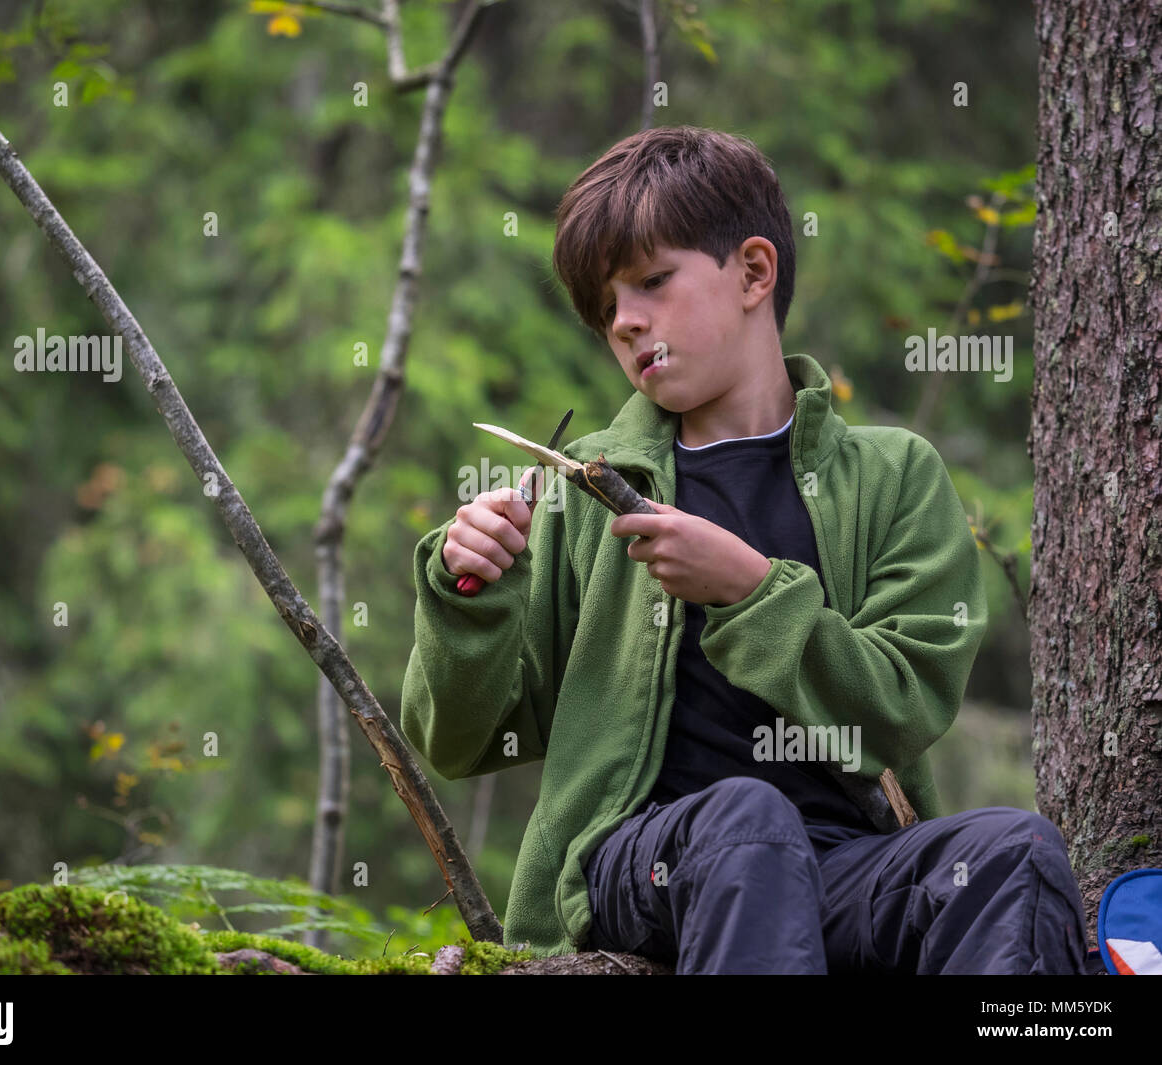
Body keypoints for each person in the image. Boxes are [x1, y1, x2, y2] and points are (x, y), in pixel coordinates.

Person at [400, 125, 1088, 974]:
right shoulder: (585, 491)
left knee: (1011, 851)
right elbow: (461, 740)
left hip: (841, 866)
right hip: (641, 865)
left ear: (754, 272)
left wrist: (750, 591)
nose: (625, 321)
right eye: (606, 306)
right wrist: (467, 594)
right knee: (746, 820)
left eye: (652, 281)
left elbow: (904, 704)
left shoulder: (894, 474)